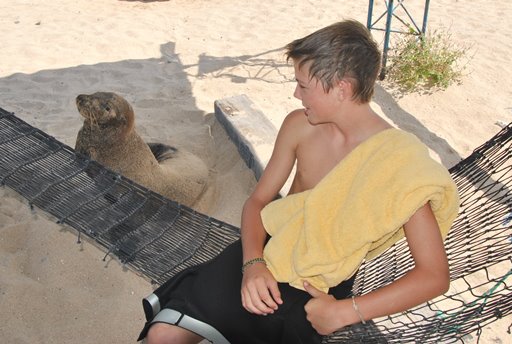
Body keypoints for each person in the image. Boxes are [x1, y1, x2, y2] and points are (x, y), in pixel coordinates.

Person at [138, 19, 459, 344]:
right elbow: (258, 202)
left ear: (342, 88)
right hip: (268, 248)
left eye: (304, 86)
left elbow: (434, 276)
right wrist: (253, 264)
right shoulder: (299, 126)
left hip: (322, 279)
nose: (295, 93)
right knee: (162, 335)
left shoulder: (398, 163)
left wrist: (345, 312)